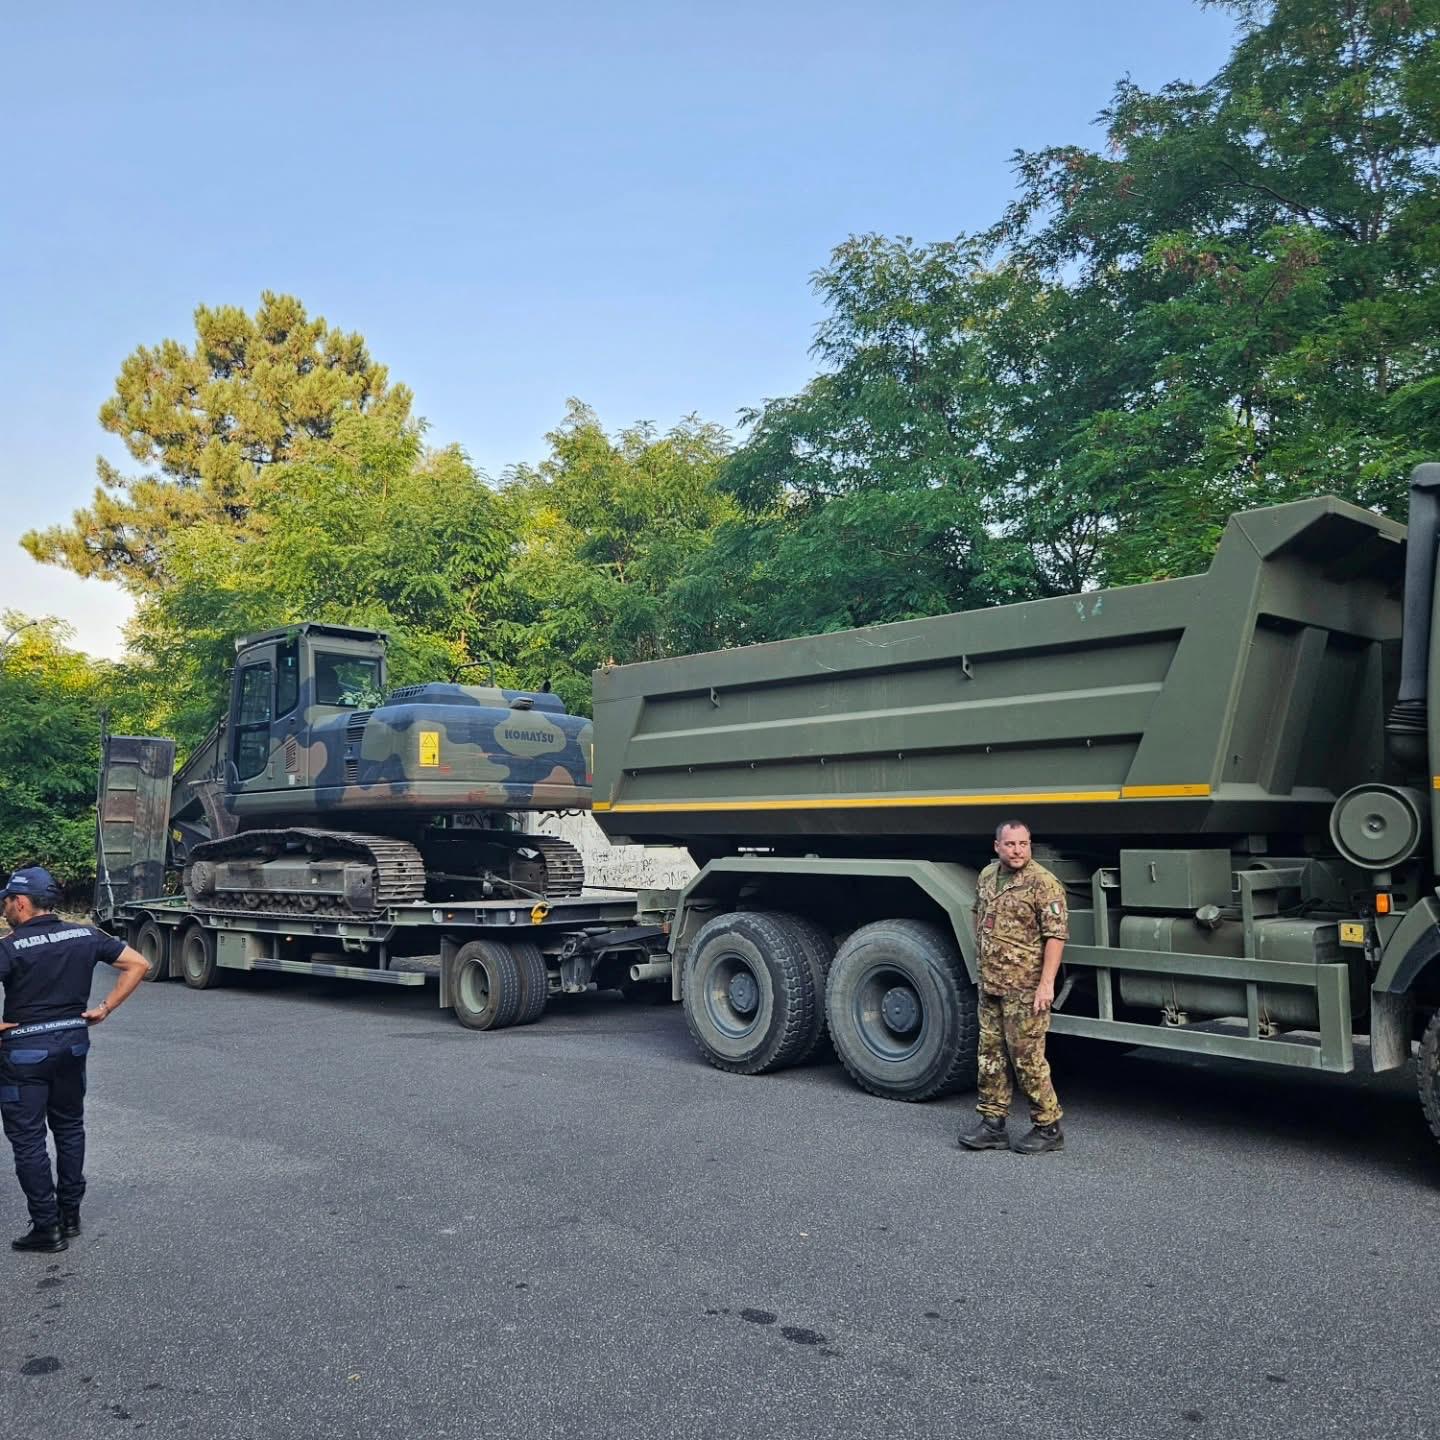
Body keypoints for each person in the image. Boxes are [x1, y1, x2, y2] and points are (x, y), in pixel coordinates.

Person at [0, 866, 147, 1252]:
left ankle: (46, 1229)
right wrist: (105, 1008)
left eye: (7, 901)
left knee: (29, 1140)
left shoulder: (9, 945)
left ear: (21, 902)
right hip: (73, 1045)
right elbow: (139, 964)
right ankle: (70, 1215)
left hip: (24, 1052)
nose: (5, 908)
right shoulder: (85, 935)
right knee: (69, 1129)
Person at [958, 821, 1068, 1155]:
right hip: (992, 983)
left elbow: (1056, 936)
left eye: (1023, 843)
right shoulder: (987, 876)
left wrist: (1046, 984)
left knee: (1027, 1059)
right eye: (1010, 844)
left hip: (1026, 988)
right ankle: (993, 1125)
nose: (1017, 850)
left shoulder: (1043, 884)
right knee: (990, 1055)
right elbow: (979, 914)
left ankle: (1048, 1128)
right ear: (997, 846)